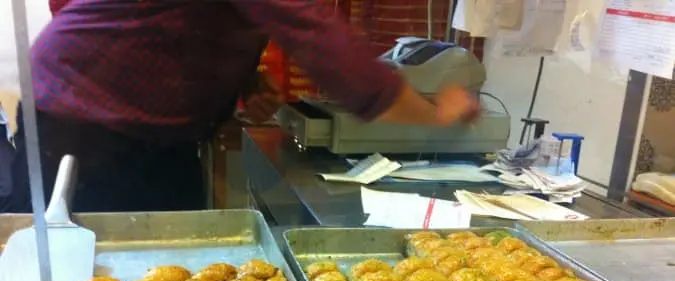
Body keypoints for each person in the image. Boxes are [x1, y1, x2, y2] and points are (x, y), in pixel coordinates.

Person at [9, 0, 480, 213]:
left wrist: (240, 79)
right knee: (112, 275)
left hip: (137, 126)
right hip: (88, 118)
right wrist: (434, 115)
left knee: (177, 252)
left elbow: (183, 21)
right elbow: (323, 41)